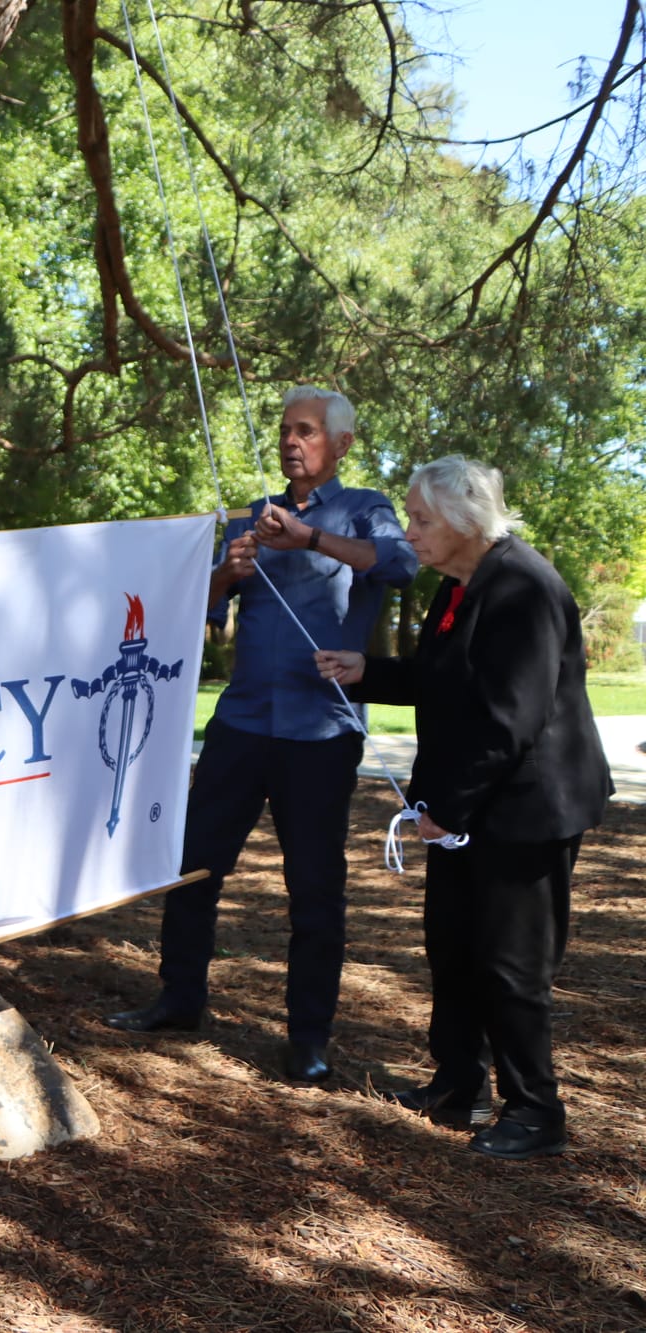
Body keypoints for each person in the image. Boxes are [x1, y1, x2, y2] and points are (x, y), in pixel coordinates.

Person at [105, 386, 418, 1083]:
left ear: (341, 444)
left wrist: (308, 538)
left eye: (306, 431)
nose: (290, 442)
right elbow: (201, 608)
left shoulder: (365, 509)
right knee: (193, 867)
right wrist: (227, 570)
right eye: (285, 430)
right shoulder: (253, 516)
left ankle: (308, 1038)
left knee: (314, 891)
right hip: (241, 724)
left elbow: (400, 564)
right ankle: (179, 999)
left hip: (321, 735)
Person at [315, 457, 610, 1159]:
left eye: (420, 519)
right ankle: (457, 1082)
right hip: (468, 809)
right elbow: (445, 679)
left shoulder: (522, 588)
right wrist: (369, 672)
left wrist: (446, 808)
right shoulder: (456, 586)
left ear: (464, 519)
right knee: (452, 948)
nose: (409, 532)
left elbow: (511, 719)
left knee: (511, 964)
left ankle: (536, 1109)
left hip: (525, 811)